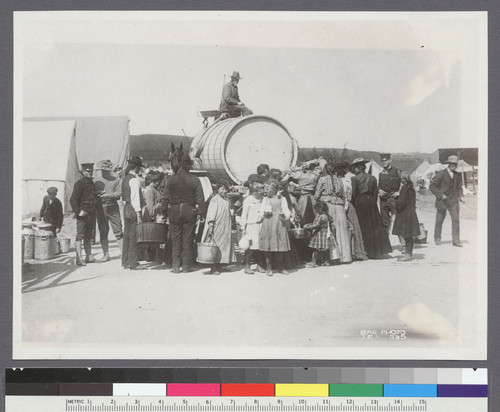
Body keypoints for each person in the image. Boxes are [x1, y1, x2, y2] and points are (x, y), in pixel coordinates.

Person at [161, 154, 206, 273]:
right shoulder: (195, 180)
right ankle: (186, 266)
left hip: (174, 211)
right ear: (190, 166)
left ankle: (175, 266)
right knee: (188, 239)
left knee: (176, 239)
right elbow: (200, 198)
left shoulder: (171, 179)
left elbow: (165, 198)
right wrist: (202, 214)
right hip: (189, 211)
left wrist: (164, 212)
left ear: (180, 165)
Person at [351, 158, 393, 259]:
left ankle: (366, 250)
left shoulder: (355, 179)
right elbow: (375, 194)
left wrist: (354, 204)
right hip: (371, 203)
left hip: (360, 201)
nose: (354, 170)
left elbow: (354, 194)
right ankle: (378, 251)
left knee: (363, 225)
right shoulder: (372, 178)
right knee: (375, 225)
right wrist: (372, 203)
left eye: (355, 168)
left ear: (359, 168)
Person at [314, 162, 352, 263]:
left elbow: (316, 195)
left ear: (325, 170)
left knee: (328, 230)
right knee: (341, 230)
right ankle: (344, 257)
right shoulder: (339, 180)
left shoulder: (322, 179)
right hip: (339, 206)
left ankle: (329, 258)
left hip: (327, 206)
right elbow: (344, 195)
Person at [429, 155, 464, 247]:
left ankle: (456, 240)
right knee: (439, 220)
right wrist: (441, 195)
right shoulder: (441, 174)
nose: (454, 165)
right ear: (448, 164)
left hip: (453, 201)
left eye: (455, 164)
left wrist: (461, 196)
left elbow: (459, 187)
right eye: (452, 163)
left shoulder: (457, 175)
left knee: (456, 220)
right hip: (442, 202)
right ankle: (437, 238)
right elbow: (432, 186)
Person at [201, 183, 236, 275]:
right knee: (215, 245)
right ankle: (213, 267)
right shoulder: (214, 200)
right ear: (217, 190)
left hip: (225, 226)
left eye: (225, 190)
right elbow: (211, 213)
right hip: (217, 225)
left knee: (224, 246)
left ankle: (220, 265)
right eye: (222, 189)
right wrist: (211, 225)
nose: (224, 191)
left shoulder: (227, 200)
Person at [337, 162, 368, 261]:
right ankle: (355, 251)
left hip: (344, 205)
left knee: (345, 229)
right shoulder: (349, 179)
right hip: (350, 205)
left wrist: (344, 207)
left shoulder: (342, 181)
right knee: (353, 229)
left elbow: (346, 196)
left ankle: (348, 253)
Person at [93, 159, 123, 262]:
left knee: (118, 231)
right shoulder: (96, 181)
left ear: (110, 170)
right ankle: (106, 254)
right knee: (103, 232)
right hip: (100, 208)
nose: (104, 172)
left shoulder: (116, 179)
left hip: (112, 207)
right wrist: (97, 194)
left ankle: (123, 254)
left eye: (106, 170)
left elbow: (119, 193)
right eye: (102, 170)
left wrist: (107, 196)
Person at [259, 181, 291, 276]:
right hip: (268, 222)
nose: (265, 190)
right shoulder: (265, 199)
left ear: (274, 190)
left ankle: (280, 267)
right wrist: (263, 214)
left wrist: (284, 215)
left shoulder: (282, 198)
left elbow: (286, 210)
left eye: (268, 189)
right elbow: (261, 211)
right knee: (268, 245)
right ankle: (269, 267)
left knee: (279, 244)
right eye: (265, 189)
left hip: (278, 223)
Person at [69, 163, 97, 266]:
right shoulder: (79, 184)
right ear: (83, 172)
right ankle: (79, 258)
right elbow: (72, 200)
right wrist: (78, 212)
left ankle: (88, 256)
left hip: (91, 213)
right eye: (88, 171)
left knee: (89, 236)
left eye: (91, 171)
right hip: (83, 213)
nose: (90, 173)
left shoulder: (91, 183)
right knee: (80, 235)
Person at [121, 156, 146, 270]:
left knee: (126, 235)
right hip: (133, 209)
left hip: (126, 208)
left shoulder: (125, 179)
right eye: (139, 167)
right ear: (136, 168)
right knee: (133, 236)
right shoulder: (135, 180)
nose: (140, 170)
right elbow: (135, 198)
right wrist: (139, 215)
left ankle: (125, 261)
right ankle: (133, 262)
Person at [392, 171, 421, 261]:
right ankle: (409, 253)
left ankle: (408, 255)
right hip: (411, 212)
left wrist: (395, 202)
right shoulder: (411, 188)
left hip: (405, 213)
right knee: (409, 234)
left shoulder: (404, 188)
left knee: (406, 234)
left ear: (402, 180)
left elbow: (401, 203)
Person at [240, 182, 265, 274]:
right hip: (251, 226)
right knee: (250, 247)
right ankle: (247, 267)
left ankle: (259, 266)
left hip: (261, 225)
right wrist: (243, 228)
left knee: (259, 247)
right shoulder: (248, 200)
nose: (263, 191)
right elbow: (244, 215)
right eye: (261, 190)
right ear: (255, 192)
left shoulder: (263, 200)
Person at [304, 201, 335, 267]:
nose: (316, 211)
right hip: (326, 234)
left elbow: (317, 225)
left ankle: (313, 262)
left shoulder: (321, 217)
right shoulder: (327, 216)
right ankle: (326, 262)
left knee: (315, 249)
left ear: (320, 210)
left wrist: (308, 227)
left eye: (316, 210)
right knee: (325, 249)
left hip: (319, 234)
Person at [378, 153, 402, 235]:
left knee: (398, 220)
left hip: (393, 200)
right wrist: (379, 190)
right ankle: (386, 244)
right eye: (382, 161)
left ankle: (403, 242)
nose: (383, 162)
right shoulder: (381, 173)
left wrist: (399, 192)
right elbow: (379, 185)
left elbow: (405, 183)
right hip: (383, 200)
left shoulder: (396, 171)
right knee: (384, 222)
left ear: (390, 160)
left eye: (385, 160)